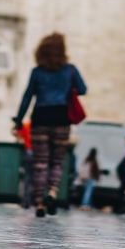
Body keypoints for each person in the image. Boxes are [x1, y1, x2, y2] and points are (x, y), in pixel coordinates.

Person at [13, 32, 87, 217]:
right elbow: (83, 89)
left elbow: (27, 97)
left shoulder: (37, 72)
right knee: (57, 161)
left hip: (41, 118)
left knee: (40, 163)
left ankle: (39, 204)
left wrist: (19, 120)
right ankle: (52, 193)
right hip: (61, 118)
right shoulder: (70, 70)